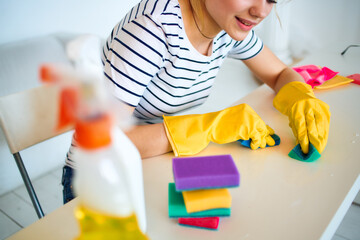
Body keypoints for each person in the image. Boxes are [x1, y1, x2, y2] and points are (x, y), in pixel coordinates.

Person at [62, 0, 330, 203]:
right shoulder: (154, 28)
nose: (261, 11)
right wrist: (206, 127)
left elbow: (280, 73)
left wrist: (299, 95)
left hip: (155, 165)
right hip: (98, 180)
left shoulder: (225, 24)